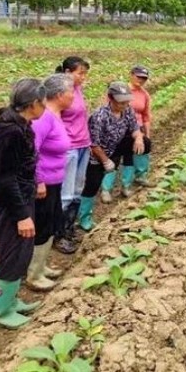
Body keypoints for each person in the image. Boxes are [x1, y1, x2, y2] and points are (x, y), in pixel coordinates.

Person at [0, 78, 45, 329]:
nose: (45, 107)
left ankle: (11, 301)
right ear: (33, 104)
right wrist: (22, 215)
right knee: (12, 257)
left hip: (21, 199)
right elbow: (6, 179)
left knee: (21, 255)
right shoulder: (10, 132)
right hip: (9, 207)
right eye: (42, 102)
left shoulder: (21, 125)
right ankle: (2, 311)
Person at [26, 74, 74, 291]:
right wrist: (38, 181)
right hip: (43, 185)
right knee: (42, 226)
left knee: (50, 224)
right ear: (59, 95)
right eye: (70, 92)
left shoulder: (55, 115)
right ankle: (33, 275)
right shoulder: (43, 118)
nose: (73, 96)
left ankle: (41, 266)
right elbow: (31, 150)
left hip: (54, 181)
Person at [78, 82, 145, 231]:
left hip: (115, 148)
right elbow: (94, 144)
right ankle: (84, 218)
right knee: (92, 185)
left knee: (144, 142)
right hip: (97, 155)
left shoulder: (127, 110)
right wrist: (105, 161)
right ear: (110, 98)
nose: (124, 105)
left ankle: (129, 182)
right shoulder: (99, 116)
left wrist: (139, 138)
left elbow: (134, 127)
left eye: (126, 101)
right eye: (121, 102)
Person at [100, 65, 154, 202]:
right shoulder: (119, 90)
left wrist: (146, 134)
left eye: (144, 78)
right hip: (117, 129)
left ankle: (127, 185)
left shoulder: (144, 94)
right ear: (131, 74)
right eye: (138, 76)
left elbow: (146, 116)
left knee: (131, 156)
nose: (141, 80)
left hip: (135, 130)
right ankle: (106, 189)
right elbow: (107, 109)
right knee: (114, 157)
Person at [55, 56, 91, 254]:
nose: (83, 77)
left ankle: (69, 229)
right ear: (67, 72)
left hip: (83, 144)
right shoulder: (60, 92)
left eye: (85, 73)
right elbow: (55, 120)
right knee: (65, 194)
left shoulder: (77, 89)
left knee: (77, 190)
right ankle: (58, 235)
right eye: (80, 73)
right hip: (69, 147)